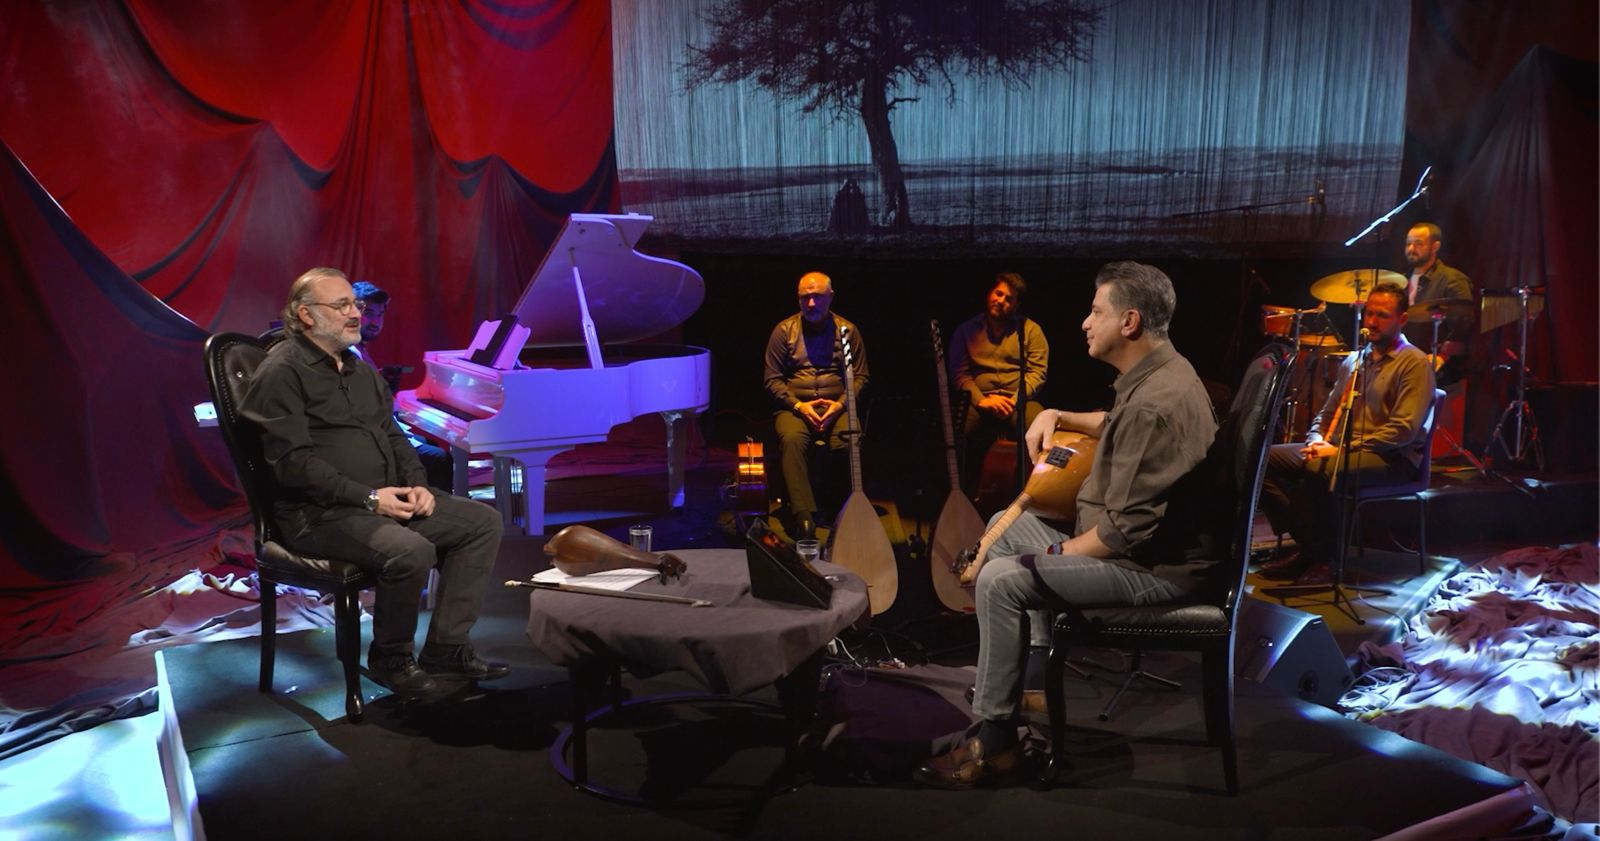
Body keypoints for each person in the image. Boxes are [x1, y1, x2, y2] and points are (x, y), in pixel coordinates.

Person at [914, 262, 1218, 789]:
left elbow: (1120, 535)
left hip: (1152, 569)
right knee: (1006, 527)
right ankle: (1032, 684)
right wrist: (1056, 413)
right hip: (1131, 547)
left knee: (1001, 577)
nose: (1084, 322)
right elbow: (1115, 422)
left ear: (1129, 322)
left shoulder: (1154, 404)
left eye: (1096, 312)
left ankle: (996, 741)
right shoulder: (1161, 371)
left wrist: (1049, 558)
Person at [241, 267, 508, 698]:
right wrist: (368, 498)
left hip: (377, 502)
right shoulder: (282, 372)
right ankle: (392, 659)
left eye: (357, 304)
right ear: (306, 315)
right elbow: (293, 465)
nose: (356, 314)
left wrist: (418, 484)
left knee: (481, 522)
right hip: (317, 514)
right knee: (410, 550)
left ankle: (447, 649)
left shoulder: (359, 370)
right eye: (342, 305)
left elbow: (392, 434)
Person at [1256, 285, 1436, 582]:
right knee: (1262, 460)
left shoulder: (1414, 363)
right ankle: (1311, 547)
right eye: (1369, 314)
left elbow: (1402, 430)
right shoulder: (1355, 361)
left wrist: (1340, 450)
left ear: (1402, 319)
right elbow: (1327, 414)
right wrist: (1316, 440)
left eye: (1382, 315)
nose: (1372, 322)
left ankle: (1323, 560)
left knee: (1320, 469)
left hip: (1392, 458)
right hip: (1341, 449)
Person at [762, 271, 870, 539]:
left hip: (838, 406)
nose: (811, 304)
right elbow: (772, 379)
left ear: (830, 297)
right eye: (805, 297)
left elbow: (861, 377)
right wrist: (799, 406)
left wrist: (840, 405)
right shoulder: (784, 331)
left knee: (850, 439)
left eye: (817, 297)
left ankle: (843, 508)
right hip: (795, 407)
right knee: (792, 439)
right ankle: (804, 514)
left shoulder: (847, 331)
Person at [948, 272, 1049, 494]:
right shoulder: (966, 330)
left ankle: (1032, 492)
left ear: (1016, 305)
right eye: (998, 294)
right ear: (990, 294)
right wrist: (981, 401)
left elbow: (1037, 373)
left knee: (1040, 425)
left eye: (1008, 299)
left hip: (1018, 400)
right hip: (978, 399)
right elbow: (960, 375)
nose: (1001, 301)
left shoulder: (1030, 330)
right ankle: (961, 493)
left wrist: (1014, 400)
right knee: (954, 433)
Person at [349, 279, 455, 492]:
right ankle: (430, 509)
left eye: (380, 315)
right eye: (369, 313)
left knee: (431, 446)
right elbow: (364, 408)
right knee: (440, 458)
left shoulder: (359, 349)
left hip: (377, 430)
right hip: (367, 440)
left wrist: (386, 387)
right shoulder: (351, 353)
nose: (375, 321)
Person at [1399, 222, 1474, 386]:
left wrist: (1442, 356)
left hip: (1440, 372)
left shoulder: (1452, 279)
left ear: (1435, 247)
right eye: (1408, 244)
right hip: (1405, 364)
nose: (1411, 248)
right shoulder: (1400, 280)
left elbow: (1464, 323)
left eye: (1418, 244)